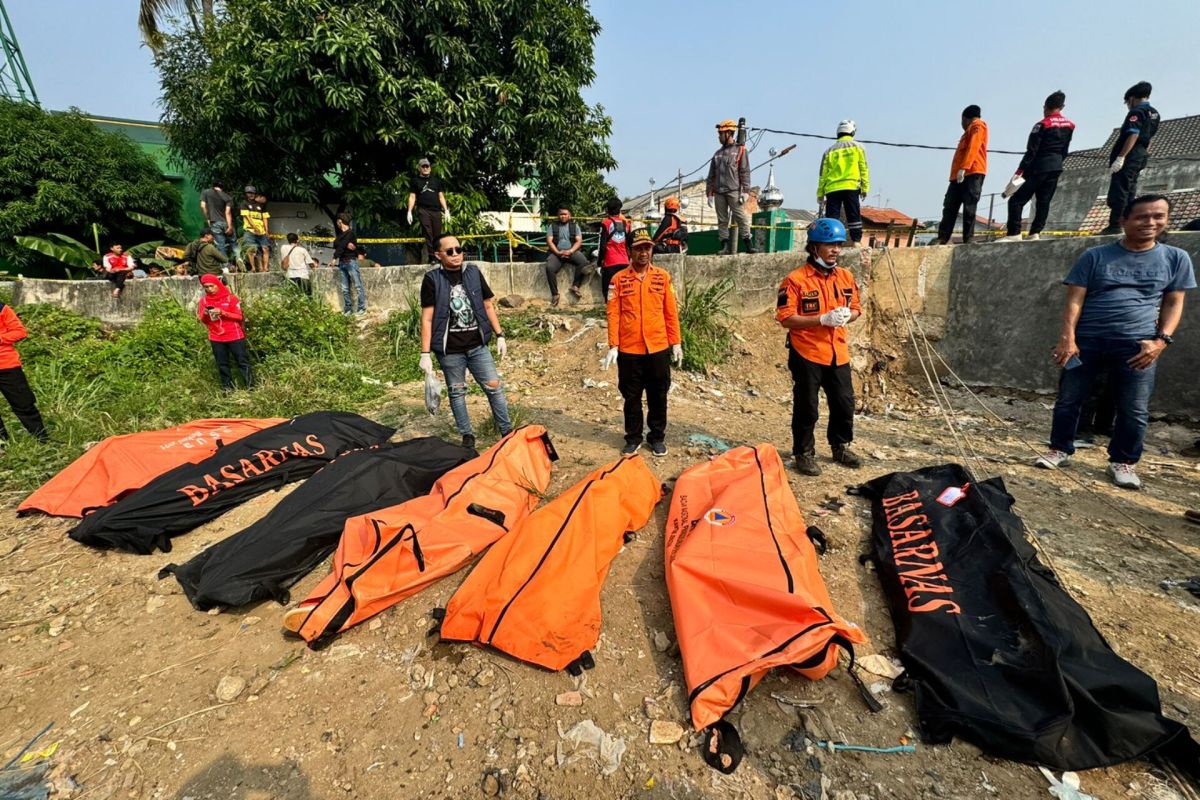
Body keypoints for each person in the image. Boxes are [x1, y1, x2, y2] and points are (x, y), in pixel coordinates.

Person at [1034, 195, 1194, 489]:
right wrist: (1067, 338)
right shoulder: (1095, 256)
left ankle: (1124, 461)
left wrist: (1161, 340)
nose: (1150, 222)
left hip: (1138, 345)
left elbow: (1174, 302)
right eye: (1141, 217)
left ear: (1166, 220)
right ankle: (1059, 448)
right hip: (1087, 340)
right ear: (1124, 221)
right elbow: (1074, 301)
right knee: (1070, 399)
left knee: (1134, 407)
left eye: (1157, 216)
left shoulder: (1175, 258)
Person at [775, 218, 863, 476]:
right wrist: (821, 319)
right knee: (807, 407)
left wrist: (849, 316)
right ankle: (803, 453)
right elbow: (786, 318)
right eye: (829, 245)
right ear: (814, 247)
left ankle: (841, 446)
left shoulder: (846, 277)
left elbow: (857, 308)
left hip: (838, 352)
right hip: (807, 353)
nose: (835, 249)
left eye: (838, 244)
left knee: (844, 403)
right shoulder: (795, 281)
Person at [418, 234, 510, 449]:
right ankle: (467, 435)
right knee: (457, 391)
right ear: (438, 255)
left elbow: (488, 306)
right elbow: (427, 318)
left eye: (458, 249)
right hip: (449, 351)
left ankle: (506, 431)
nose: (456, 254)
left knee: (494, 387)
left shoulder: (473, 273)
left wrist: (500, 335)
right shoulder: (432, 280)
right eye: (449, 251)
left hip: (478, 346)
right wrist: (425, 353)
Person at [602, 229, 682, 457]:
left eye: (647, 247)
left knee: (658, 395)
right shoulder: (618, 280)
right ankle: (633, 438)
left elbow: (670, 312)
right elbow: (613, 314)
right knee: (632, 396)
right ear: (629, 250)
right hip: (629, 349)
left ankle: (656, 437)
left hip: (658, 347)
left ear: (652, 250)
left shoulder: (663, 277)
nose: (643, 252)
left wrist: (675, 342)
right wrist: (613, 345)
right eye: (638, 248)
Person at [998, 91, 1075, 242]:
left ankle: (1014, 233)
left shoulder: (1042, 125)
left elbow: (1031, 152)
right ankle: (1035, 233)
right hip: (1056, 167)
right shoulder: (1070, 125)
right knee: (1043, 201)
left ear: (1045, 107)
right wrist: (1057, 162)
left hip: (1038, 167)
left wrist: (1019, 172)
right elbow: (1065, 149)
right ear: (1062, 106)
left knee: (1016, 200)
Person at [1099, 82, 1160, 235]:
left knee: (1119, 190)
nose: (1127, 105)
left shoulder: (1136, 112)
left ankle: (1115, 225)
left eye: (1127, 102)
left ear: (1131, 98)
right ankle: (1127, 223)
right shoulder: (1154, 113)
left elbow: (1133, 134)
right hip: (1141, 154)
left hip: (1130, 154)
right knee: (1130, 190)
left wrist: (1121, 157)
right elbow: (1149, 136)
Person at [936, 105, 988, 245]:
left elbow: (974, 146)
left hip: (973, 172)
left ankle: (968, 238)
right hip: (958, 176)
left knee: (969, 206)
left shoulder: (978, 126)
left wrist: (964, 167)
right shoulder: (967, 133)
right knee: (950, 207)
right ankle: (942, 238)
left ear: (964, 118)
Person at [0, 300, 48, 444]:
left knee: (24, 404)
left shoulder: (2, 308)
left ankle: (42, 439)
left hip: (7, 365)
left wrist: (1, 338)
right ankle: (3, 444)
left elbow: (20, 332)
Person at [197, 274, 254, 392]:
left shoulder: (231, 298)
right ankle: (227, 388)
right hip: (216, 337)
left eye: (211, 286)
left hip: (234, 335)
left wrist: (223, 312)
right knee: (222, 364)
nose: (209, 289)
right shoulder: (204, 301)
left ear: (218, 284)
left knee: (242, 362)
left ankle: (250, 386)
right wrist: (206, 315)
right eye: (206, 287)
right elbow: (204, 321)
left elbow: (239, 317)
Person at [817, 120, 870, 245]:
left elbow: (822, 175)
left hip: (832, 189)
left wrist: (820, 193)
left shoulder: (828, 151)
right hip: (851, 186)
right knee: (853, 215)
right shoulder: (858, 147)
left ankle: (832, 242)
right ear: (852, 132)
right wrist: (865, 187)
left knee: (832, 218)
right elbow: (864, 168)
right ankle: (856, 241)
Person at [706, 119, 753, 255]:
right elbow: (711, 176)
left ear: (728, 134)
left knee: (741, 217)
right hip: (719, 192)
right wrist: (709, 193)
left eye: (720, 134)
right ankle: (724, 246)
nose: (719, 137)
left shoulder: (740, 150)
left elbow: (744, 172)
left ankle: (748, 244)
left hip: (734, 191)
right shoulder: (717, 154)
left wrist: (745, 191)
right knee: (722, 220)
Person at [407, 158, 451, 262]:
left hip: (436, 210)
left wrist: (446, 210)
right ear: (419, 168)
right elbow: (412, 197)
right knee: (428, 232)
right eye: (423, 166)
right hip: (423, 210)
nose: (425, 168)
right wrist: (409, 211)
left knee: (437, 234)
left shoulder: (436, 181)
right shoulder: (415, 181)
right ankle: (432, 257)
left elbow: (441, 196)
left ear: (430, 168)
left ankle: (439, 255)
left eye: (427, 166)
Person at [544, 206, 588, 306]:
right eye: (561, 214)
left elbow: (579, 241)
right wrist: (557, 252)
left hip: (571, 252)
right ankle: (555, 294)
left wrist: (571, 251)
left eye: (565, 214)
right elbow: (549, 241)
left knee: (584, 262)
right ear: (558, 215)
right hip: (556, 253)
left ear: (569, 216)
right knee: (549, 267)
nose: (563, 216)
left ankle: (576, 286)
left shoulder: (575, 226)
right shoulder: (552, 226)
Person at [597, 197, 631, 301]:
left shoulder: (606, 223)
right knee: (623, 291)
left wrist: (599, 263)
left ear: (607, 209)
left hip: (610, 263)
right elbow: (629, 244)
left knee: (608, 292)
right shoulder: (627, 224)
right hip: (625, 262)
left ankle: (611, 313)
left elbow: (602, 246)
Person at [332, 212, 366, 315]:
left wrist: (334, 257)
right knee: (345, 288)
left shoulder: (350, 233)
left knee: (358, 286)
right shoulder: (341, 234)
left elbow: (340, 245)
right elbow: (336, 244)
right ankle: (348, 309)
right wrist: (345, 244)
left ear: (340, 221)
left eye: (337, 221)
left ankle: (361, 308)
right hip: (342, 263)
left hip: (350, 261)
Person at [199, 181, 234, 259]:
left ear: (213, 186)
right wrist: (230, 226)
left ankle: (225, 266)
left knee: (220, 245)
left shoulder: (206, 192)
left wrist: (208, 217)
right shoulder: (227, 196)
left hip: (215, 222)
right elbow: (228, 212)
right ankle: (238, 258)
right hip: (226, 222)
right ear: (222, 187)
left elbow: (202, 206)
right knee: (233, 243)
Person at [239, 186, 271, 273]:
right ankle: (253, 268)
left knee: (266, 248)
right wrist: (254, 227)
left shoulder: (261, 205)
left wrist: (266, 230)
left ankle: (265, 268)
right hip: (250, 230)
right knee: (251, 249)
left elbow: (265, 218)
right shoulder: (244, 204)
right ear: (246, 194)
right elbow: (247, 217)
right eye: (249, 193)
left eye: (252, 193)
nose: (251, 194)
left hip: (262, 231)